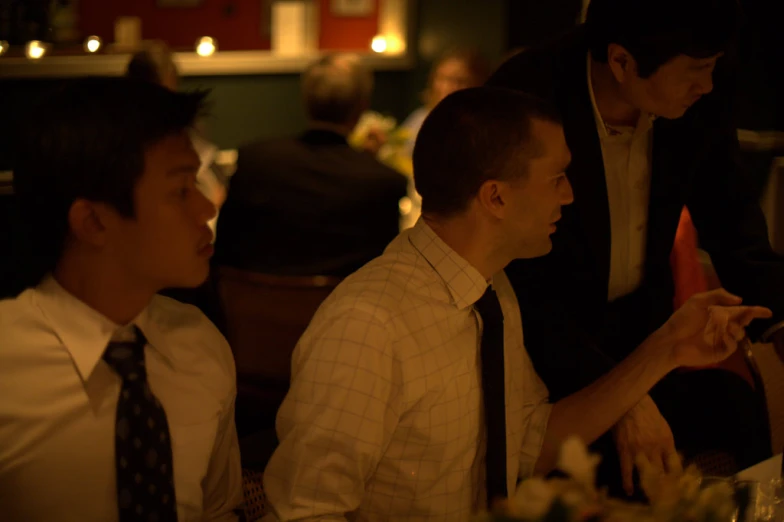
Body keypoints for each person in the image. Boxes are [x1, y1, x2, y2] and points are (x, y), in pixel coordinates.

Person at [260, 87, 771, 521]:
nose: (570, 196)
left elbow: (529, 445)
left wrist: (666, 349)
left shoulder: (492, 293)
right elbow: (308, 511)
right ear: (496, 198)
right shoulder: (368, 324)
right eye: (558, 178)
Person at [487, 0, 784, 495]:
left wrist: (780, 319)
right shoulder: (529, 94)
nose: (707, 85)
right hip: (541, 349)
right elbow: (521, 281)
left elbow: (731, 216)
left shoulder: (699, 92)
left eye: (713, 68)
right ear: (622, 62)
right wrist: (623, 399)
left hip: (643, 331)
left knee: (733, 406)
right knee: (613, 468)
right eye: (696, 71)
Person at [0, 77, 243, 521]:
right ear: (93, 221)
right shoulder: (8, 364)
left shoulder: (200, 347)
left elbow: (219, 510)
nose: (207, 209)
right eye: (181, 191)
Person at [214, 53, 408, 278]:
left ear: (306, 100)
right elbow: (381, 271)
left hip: (250, 307)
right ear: (361, 108)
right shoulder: (383, 181)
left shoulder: (255, 159)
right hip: (345, 310)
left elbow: (226, 249)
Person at [399, 48, 489, 157]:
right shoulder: (419, 117)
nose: (447, 87)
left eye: (459, 80)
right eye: (442, 79)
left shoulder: (481, 127)